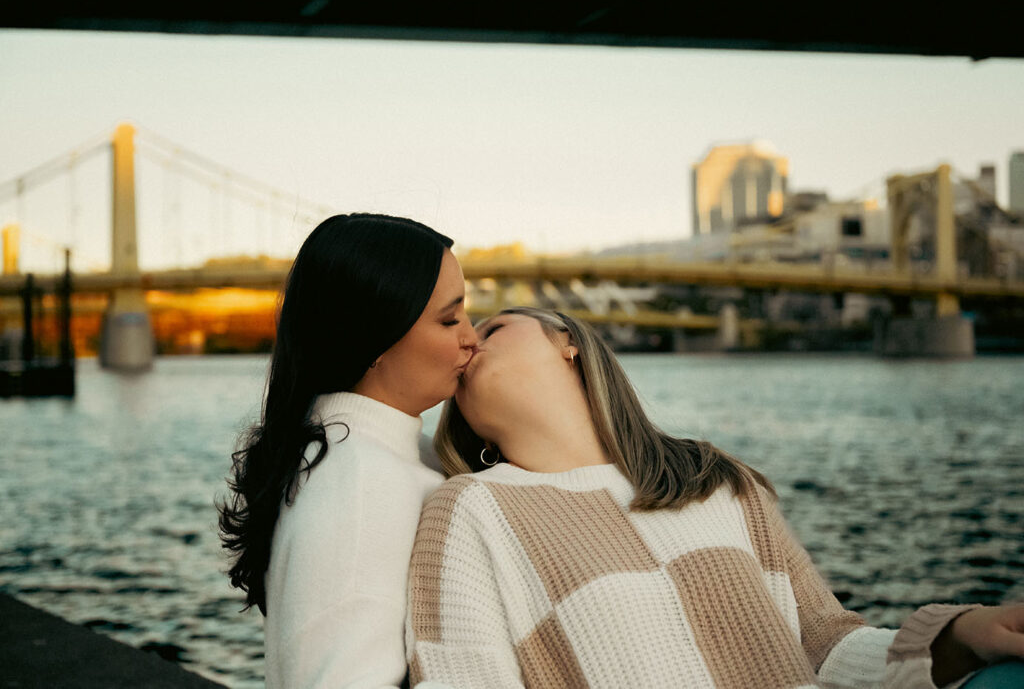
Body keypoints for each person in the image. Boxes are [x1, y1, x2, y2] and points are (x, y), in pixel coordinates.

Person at [407, 306, 1024, 688]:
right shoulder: (469, 509)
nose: (468, 342)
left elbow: (825, 644)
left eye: (494, 326)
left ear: (567, 340)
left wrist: (961, 633)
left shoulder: (712, 477)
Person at [218, 213, 479, 688]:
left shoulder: (366, 452)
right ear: (376, 338)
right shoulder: (360, 483)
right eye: (449, 319)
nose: (471, 338)